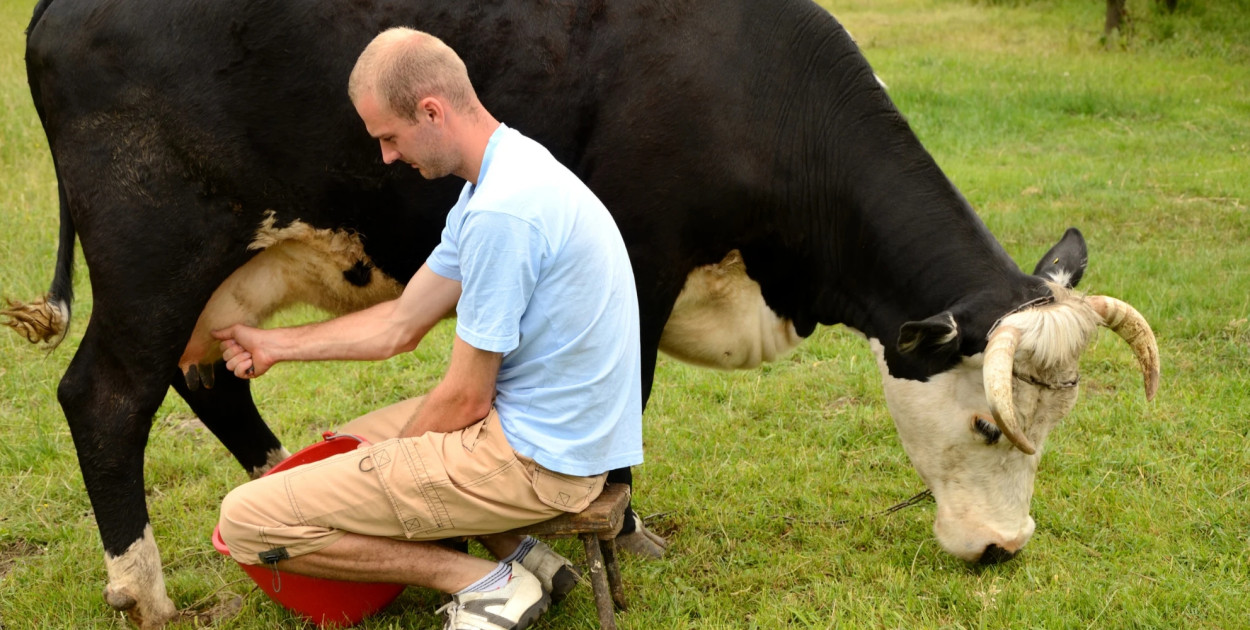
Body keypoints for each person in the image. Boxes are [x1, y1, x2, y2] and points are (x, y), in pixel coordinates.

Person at [214, 27, 643, 630]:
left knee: (248, 520)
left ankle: (486, 585)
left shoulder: (502, 214)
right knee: (345, 451)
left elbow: (466, 397)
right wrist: (274, 345)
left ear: (432, 111)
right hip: (548, 433)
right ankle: (527, 558)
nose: (387, 155)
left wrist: (385, 472)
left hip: (541, 464)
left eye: (389, 136)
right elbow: (403, 320)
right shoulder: (502, 172)